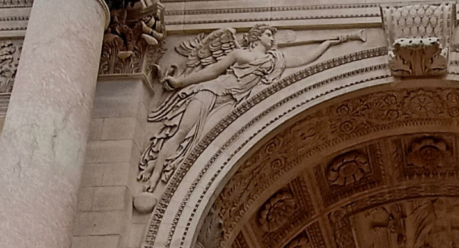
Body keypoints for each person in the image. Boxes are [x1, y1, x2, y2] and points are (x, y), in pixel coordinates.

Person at [139, 25, 355, 194]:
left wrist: (327, 43)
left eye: (272, 35)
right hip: (211, 92)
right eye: (269, 34)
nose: (272, 38)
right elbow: (212, 70)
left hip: (230, 103)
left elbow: (303, 59)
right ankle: (155, 173)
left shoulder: (275, 59)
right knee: (181, 132)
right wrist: (180, 83)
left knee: (201, 146)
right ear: (257, 35)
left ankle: (161, 171)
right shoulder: (238, 54)